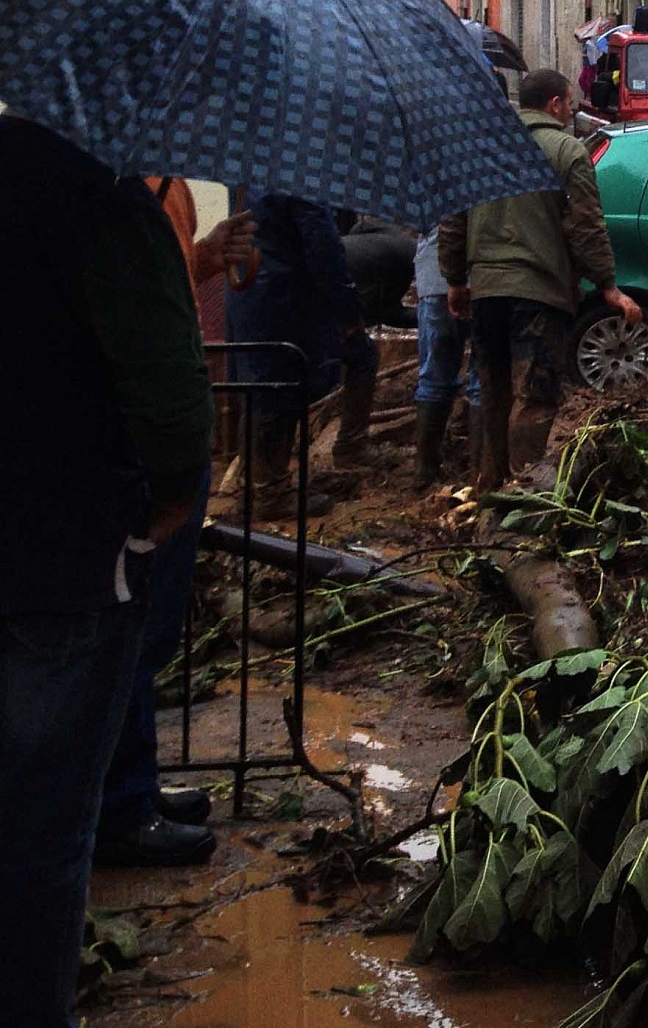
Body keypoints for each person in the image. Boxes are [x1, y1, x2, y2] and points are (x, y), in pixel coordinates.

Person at [0, 118, 213, 1024]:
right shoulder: (103, 206)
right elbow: (170, 395)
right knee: (41, 829)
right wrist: (167, 505)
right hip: (63, 554)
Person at [94, 182, 251, 872]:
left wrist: (205, 257)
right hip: (133, 452)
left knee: (148, 636)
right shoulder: (110, 193)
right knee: (128, 629)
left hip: (161, 449)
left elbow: (166, 280)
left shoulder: (166, 189)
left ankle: (137, 788)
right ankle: (122, 810)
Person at [441, 68, 641, 494]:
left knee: (492, 386)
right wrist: (607, 284)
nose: (572, 111)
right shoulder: (566, 150)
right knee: (536, 393)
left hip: (487, 291)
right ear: (555, 105)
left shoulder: (480, 149)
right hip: (539, 292)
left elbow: (454, 219)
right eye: (570, 103)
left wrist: (455, 279)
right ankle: (521, 494)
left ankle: (487, 483)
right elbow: (586, 226)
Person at [225, 191, 378, 512]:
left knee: (258, 384)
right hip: (282, 294)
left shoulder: (246, 171)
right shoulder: (302, 177)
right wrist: (348, 311)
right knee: (277, 386)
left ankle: (256, 485)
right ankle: (269, 492)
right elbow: (322, 245)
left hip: (248, 287)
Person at [410, 224, 479, 486]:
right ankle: (481, 470)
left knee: (434, 373)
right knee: (482, 376)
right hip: (483, 277)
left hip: (434, 275)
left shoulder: (429, 183)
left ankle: (425, 470)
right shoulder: (495, 182)